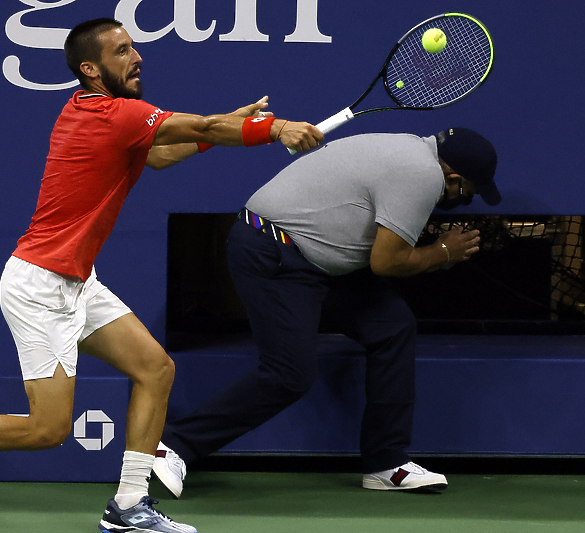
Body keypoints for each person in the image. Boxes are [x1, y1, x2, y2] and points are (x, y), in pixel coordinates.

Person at [0, 17, 323, 533]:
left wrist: (224, 129)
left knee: (155, 369)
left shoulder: (100, 114)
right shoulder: (114, 116)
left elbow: (161, 154)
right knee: (48, 430)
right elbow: (200, 127)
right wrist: (275, 130)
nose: (137, 58)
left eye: (134, 48)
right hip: (41, 287)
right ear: (90, 68)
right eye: (122, 51)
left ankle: (129, 505)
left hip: (76, 282)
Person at [153, 127, 499, 497]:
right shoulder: (422, 174)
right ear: (453, 178)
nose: (464, 202)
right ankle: (173, 445)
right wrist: (442, 253)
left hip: (318, 260)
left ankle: (386, 463)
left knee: (393, 326)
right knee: (289, 374)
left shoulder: (409, 148)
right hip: (274, 252)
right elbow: (386, 261)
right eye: (466, 194)